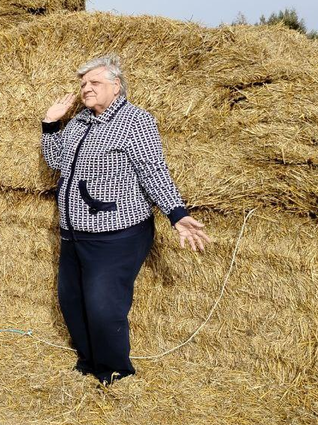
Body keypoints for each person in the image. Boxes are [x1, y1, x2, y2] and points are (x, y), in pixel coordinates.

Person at [41, 54, 209, 384]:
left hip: (117, 233)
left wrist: (176, 213)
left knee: (103, 306)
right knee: (71, 301)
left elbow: (153, 171)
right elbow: (56, 160)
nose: (86, 89)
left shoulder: (136, 122)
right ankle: (89, 362)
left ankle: (115, 371)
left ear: (116, 86)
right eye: (83, 84)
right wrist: (50, 124)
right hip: (74, 233)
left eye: (94, 83)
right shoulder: (79, 122)